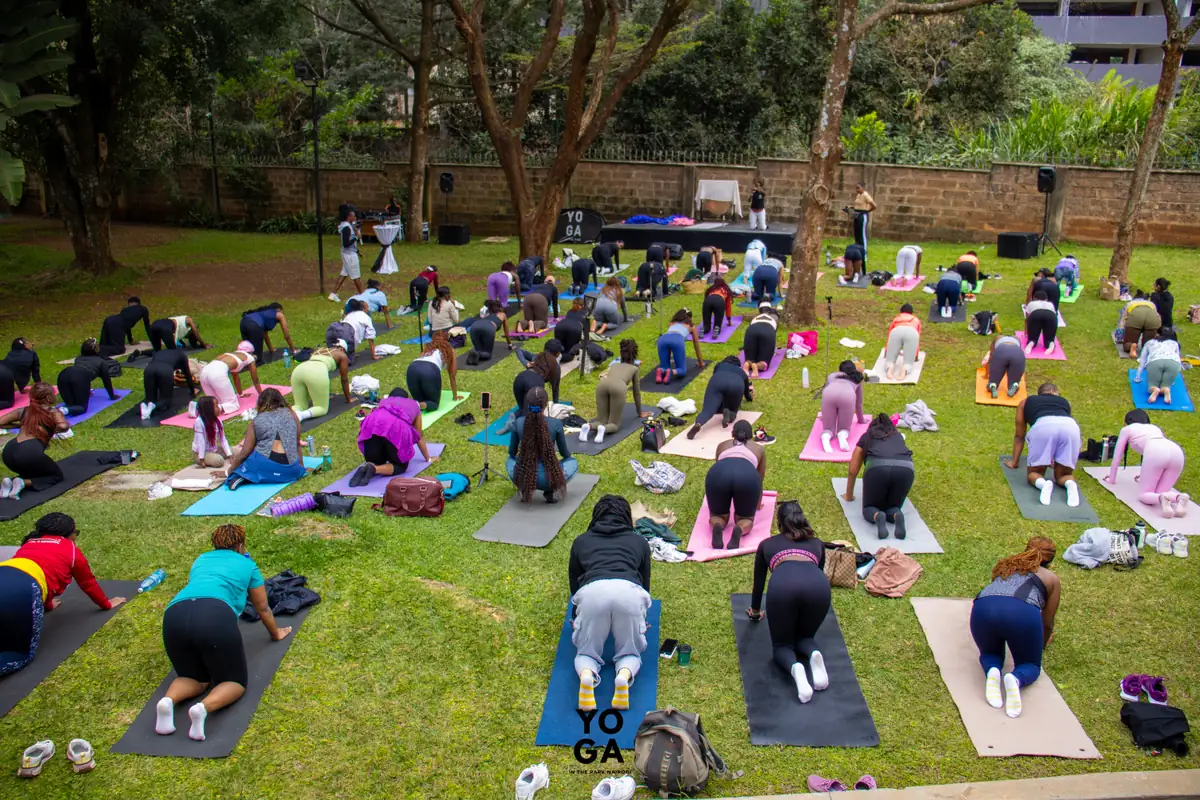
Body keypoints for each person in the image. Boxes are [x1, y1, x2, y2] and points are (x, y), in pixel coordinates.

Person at [155, 524, 291, 742]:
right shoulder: (248, 565)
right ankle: (202, 708)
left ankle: (168, 701)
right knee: (233, 682)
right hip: (214, 615)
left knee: (194, 678)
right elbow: (262, 608)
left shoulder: (201, 559)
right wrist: (276, 633)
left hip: (175, 613)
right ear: (241, 544)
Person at [0, 513, 127, 677]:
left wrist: (48, 605)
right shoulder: (70, 549)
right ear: (69, 534)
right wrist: (107, 603)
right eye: (76, 532)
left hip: (6, 572)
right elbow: (87, 582)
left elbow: (39, 575)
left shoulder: (30, 542)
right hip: (24, 590)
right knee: (20, 654)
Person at [568, 495, 652, 711]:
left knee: (586, 652)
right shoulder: (640, 542)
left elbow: (575, 586)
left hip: (592, 594)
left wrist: (578, 617)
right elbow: (644, 585)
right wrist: (642, 619)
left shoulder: (581, 541)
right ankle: (623, 676)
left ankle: (587, 675)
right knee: (630, 652)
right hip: (629, 594)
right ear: (626, 516)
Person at [746, 502, 830, 704]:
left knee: (783, 645)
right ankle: (814, 654)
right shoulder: (817, 544)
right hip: (818, 588)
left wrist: (756, 610)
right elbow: (820, 569)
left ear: (779, 523)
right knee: (805, 636)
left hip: (784, 587)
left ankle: (797, 669)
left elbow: (759, 585)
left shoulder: (767, 544)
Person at [969, 537, 1060, 719]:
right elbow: (1047, 622)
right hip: (1022, 614)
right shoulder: (1051, 578)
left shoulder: (1006, 564)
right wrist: (1041, 644)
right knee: (1030, 665)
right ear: (1050, 560)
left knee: (990, 654)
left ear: (1025, 549)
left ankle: (993, 670)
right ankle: (1015, 677)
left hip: (982, 608)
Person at [1006, 383, 1082, 508]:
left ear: (1039, 394)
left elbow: (1020, 435)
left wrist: (1014, 462)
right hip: (1071, 427)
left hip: (1043, 426)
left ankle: (1043, 484)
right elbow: (1062, 428)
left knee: (1034, 473)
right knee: (1064, 475)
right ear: (1056, 393)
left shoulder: (1025, 402)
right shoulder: (1065, 402)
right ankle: (1070, 484)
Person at [842, 413, 914, 540]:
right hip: (906, 469)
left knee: (869, 507)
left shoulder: (867, 436)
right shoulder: (898, 436)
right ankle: (897, 514)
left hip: (877, 468)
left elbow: (853, 470)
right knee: (893, 506)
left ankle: (877, 516)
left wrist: (849, 495)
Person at [1105, 409, 1188, 517]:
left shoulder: (1126, 429)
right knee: (1159, 493)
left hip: (1156, 452)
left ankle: (1164, 498)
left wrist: (1111, 479)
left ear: (1127, 421)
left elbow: (1117, 456)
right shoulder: (1154, 428)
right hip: (1176, 452)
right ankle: (1179, 497)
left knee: (1145, 495)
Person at [222, 389, 308, 489]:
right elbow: (297, 443)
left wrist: (227, 472)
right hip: (292, 472)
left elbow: (245, 453)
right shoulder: (292, 414)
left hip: (266, 467)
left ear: (261, 403)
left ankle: (242, 476)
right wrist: (300, 468)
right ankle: (250, 476)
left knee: (249, 462)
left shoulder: (256, 421)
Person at [352, 388, 439, 486]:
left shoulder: (383, 402)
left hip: (371, 424)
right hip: (397, 428)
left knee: (377, 460)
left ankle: (370, 465)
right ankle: (374, 469)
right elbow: (419, 436)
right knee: (400, 466)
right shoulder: (414, 404)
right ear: (407, 398)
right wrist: (428, 458)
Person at [508, 386, 577, 503]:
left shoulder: (518, 423)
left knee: (509, 461)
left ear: (527, 403)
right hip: (550, 479)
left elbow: (511, 453)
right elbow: (565, 454)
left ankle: (525, 489)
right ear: (546, 405)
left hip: (524, 477)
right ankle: (549, 492)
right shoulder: (556, 424)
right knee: (573, 462)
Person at [705, 420, 767, 549]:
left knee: (718, 515)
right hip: (747, 476)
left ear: (732, 433)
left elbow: (719, 465)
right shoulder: (759, 449)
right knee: (745, 518)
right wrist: (757, 503)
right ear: (751, 435)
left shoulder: (722, 445)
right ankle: (739, 528)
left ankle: (717, 525)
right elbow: (759, 479)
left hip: (719, 474)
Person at [0, 384, 70, 499]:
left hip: (9, 452)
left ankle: (10, 483)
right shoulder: (53, 412)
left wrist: (20, 425)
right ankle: (23, 483)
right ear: (48, 398)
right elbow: (63, 426)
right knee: (55, 476)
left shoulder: (22, 411)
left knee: (34, 471)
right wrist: (53, 427)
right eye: (53, 394)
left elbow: (1, 422)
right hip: (29, 452)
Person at [580, 340, 650, 444]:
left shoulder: (614, 366)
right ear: (635, 355)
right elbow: (636, 392)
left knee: (600, 420)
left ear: (621, 353)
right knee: (614, 424)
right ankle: (603, 430)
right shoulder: (634, 369)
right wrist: (639, 412)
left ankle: (588, 426)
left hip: (602, 385)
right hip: (618, 387)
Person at [688, 356, 754, 439]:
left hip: (718, 380)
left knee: (707, 411)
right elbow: (747, 394)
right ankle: (729, 413)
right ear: (738, 366)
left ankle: (699, 423)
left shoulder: (719, 365)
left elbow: (716, 378)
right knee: (733, 410)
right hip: (736, 384)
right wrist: (750, 399)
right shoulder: (742, 373)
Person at [57, 339, 119, 417]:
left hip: (63, 374)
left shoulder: (78, 358)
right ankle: (58, 411)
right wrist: (112, 396)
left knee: (71, 405)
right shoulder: (101, 362)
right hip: (79, 378)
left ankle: (52, 410)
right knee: (81, 408)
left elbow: (79, 374)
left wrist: (86, 391)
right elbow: (106, 380)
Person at [290, 344, 353, 421]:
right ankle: (301, 415)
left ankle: (281, 414)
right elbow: (344, 380)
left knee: (300, 406)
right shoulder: (342, 355)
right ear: (343, 349)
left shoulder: (320, 350)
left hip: (298, 371)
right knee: (321, 408)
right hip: (316, 372)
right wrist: (348, 399)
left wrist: (324, 394)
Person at [197, 343, 262, 415]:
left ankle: (196, 408)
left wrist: (241, 394)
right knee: (233, 405)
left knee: (214, 402)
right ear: (250, 352)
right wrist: (261, 394)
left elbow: (235, 377)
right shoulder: (250, 357)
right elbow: (255, 379)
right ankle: (209, 410)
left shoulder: (230, 354)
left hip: (204, 373)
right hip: (217, 373)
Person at [819, 361, 866, 453]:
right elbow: (858, 404)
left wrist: (825, 415)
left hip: (829, 394)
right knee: (844, 428)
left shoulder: (832, 376)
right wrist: (861, 419)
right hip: (847, 396)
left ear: (839, 370)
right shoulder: (857, 379)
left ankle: (825, 438)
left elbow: (825, 395)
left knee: (828, 429)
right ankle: (842, 435)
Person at [141, 346, 198, 420]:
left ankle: (146, 406)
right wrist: (192, 391)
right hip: (165, 370)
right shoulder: (182, 356)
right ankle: (153, 406)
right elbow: (187, 375)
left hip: (149, 369)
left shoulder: (160, 352)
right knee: (166, 400)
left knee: (149, 398)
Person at [509, 352, 561, 431]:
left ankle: (516, 414)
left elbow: (519, 350)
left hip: (519, 378)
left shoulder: (538, 358)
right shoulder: (550, 368)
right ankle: (515, 425)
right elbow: (555, 387)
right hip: (532, 384)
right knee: (530, 416)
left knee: (523, 407)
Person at [406, 337, 460, 411]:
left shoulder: (427, 349)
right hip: (429, 370)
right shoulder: (450, 350)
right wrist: (455, 396)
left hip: (412, 368)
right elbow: (452, 374)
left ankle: (408, 404)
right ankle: (411, 406)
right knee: (433, 404)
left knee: (419, 401)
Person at [655, 309, 705, 384]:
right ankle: (671, 372)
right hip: (677, 340)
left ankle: (661, 371)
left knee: (665, 367)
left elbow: (670, 342)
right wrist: (701, 362)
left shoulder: (671, 323)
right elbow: (696, 346)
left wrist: (670, 358)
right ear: (689, 318)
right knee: (682, 370)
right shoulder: (691, 326)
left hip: (662, 339)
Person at [1135, 329, 1182, 404]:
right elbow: (1178, 358)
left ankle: (1154, 390)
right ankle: (1166, 389)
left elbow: (1142, 360)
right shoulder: (1174, 343)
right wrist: (1173, 378)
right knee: (1165, 385)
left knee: (1151, 386)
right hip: (1173, 363)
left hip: (1155, 362)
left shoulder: (1149, 342)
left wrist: (1137, 377)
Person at [329, 205, 364, 302]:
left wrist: (357, 251)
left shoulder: (347, 226)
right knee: (356, 275)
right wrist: (357, 237)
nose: (355, 217)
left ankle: (333, 294)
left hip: (349, 253)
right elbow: (346, 243)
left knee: (344, 273)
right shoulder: (346, 228)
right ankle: (363, 296)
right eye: (353, 216)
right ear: (349, 217)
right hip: (349, 255)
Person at [192, 396, 235, 468]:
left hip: (214, 449)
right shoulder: (199, 422)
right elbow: (201, 442)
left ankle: (217, 456)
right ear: (209, 409)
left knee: (237, 451)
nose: (219, 408)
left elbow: (223, 439)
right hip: (200, 453)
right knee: (219, 461)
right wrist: (201, 459)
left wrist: (230, 455)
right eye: (216, 406)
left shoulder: (218, 421)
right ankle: (205, 458)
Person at [466, 299, 513, 364]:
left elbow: (481, 327)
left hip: (474, 326)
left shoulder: (487, 314)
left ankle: (475, 353)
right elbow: (506, 332)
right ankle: (478, 354)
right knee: (488, 354)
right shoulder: (502, 315)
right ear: (500, 307)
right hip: (488, 327)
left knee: (478, 349)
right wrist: (510, 345)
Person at [982, 333, 1026, 399]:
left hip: (1001, 352)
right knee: (1014, 380)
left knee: (993, 381)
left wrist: (986, 374)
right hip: (1017, 354)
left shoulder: (997, 338)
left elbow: (990, 358)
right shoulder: (1017, 339)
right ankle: (1014, 385)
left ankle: (992, 385)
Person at [742, 303, 779, 380]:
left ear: (759, 310)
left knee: (750, 358)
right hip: (768, 331)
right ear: (770, 309)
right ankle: (758, 366)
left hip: (751, 330)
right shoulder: (775, 317)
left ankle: (748, 363)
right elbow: (772, 338)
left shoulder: (755, 317)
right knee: (764, 361)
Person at [884, 304, 921, 380]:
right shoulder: (916, 320)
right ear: (911, 312)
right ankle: (904, 371)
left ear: (901, 311)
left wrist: (887, 351)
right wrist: (916, 356)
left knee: (890, 360)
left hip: (896, 331)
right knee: (908, 362)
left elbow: (889, 336)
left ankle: (889, 369)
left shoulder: (897, 318)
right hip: (912, 332)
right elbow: (917, 339)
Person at [1119, 292, 1161, 358]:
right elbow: (1156, 313)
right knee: (1148, 341)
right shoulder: (1151, 304)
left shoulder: (1130, 303)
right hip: (1153, 319)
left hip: (1135, 318)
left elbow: (1123, 320)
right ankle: (1147, 347)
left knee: (1128, 343)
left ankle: (1131, 346)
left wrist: (1119, 335)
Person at [1024, 290, 1059, 355]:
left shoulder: (1031, 303)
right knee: (1049, 340)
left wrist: (1027, 331)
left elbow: (1027, 318)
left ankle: (1031, 343)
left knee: (1032, 338)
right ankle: (1051, 344)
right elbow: (1055, 316)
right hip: (1050, 316)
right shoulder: (1050, 304)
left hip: (1035, 314)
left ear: (1035, 298)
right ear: (1046, 299)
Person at [852, 182, 875, 261]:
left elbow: (874, 205)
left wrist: (867, 211)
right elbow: (858, 205)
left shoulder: (865, 195)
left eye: (858, 188)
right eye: (856, 188)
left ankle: (864, 255)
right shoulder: (858, 195)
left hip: (862, 215)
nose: (857, 190)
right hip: (856, 214)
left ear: (863, 188)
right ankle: (857, 253)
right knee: (857, 234)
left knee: (862, 235)